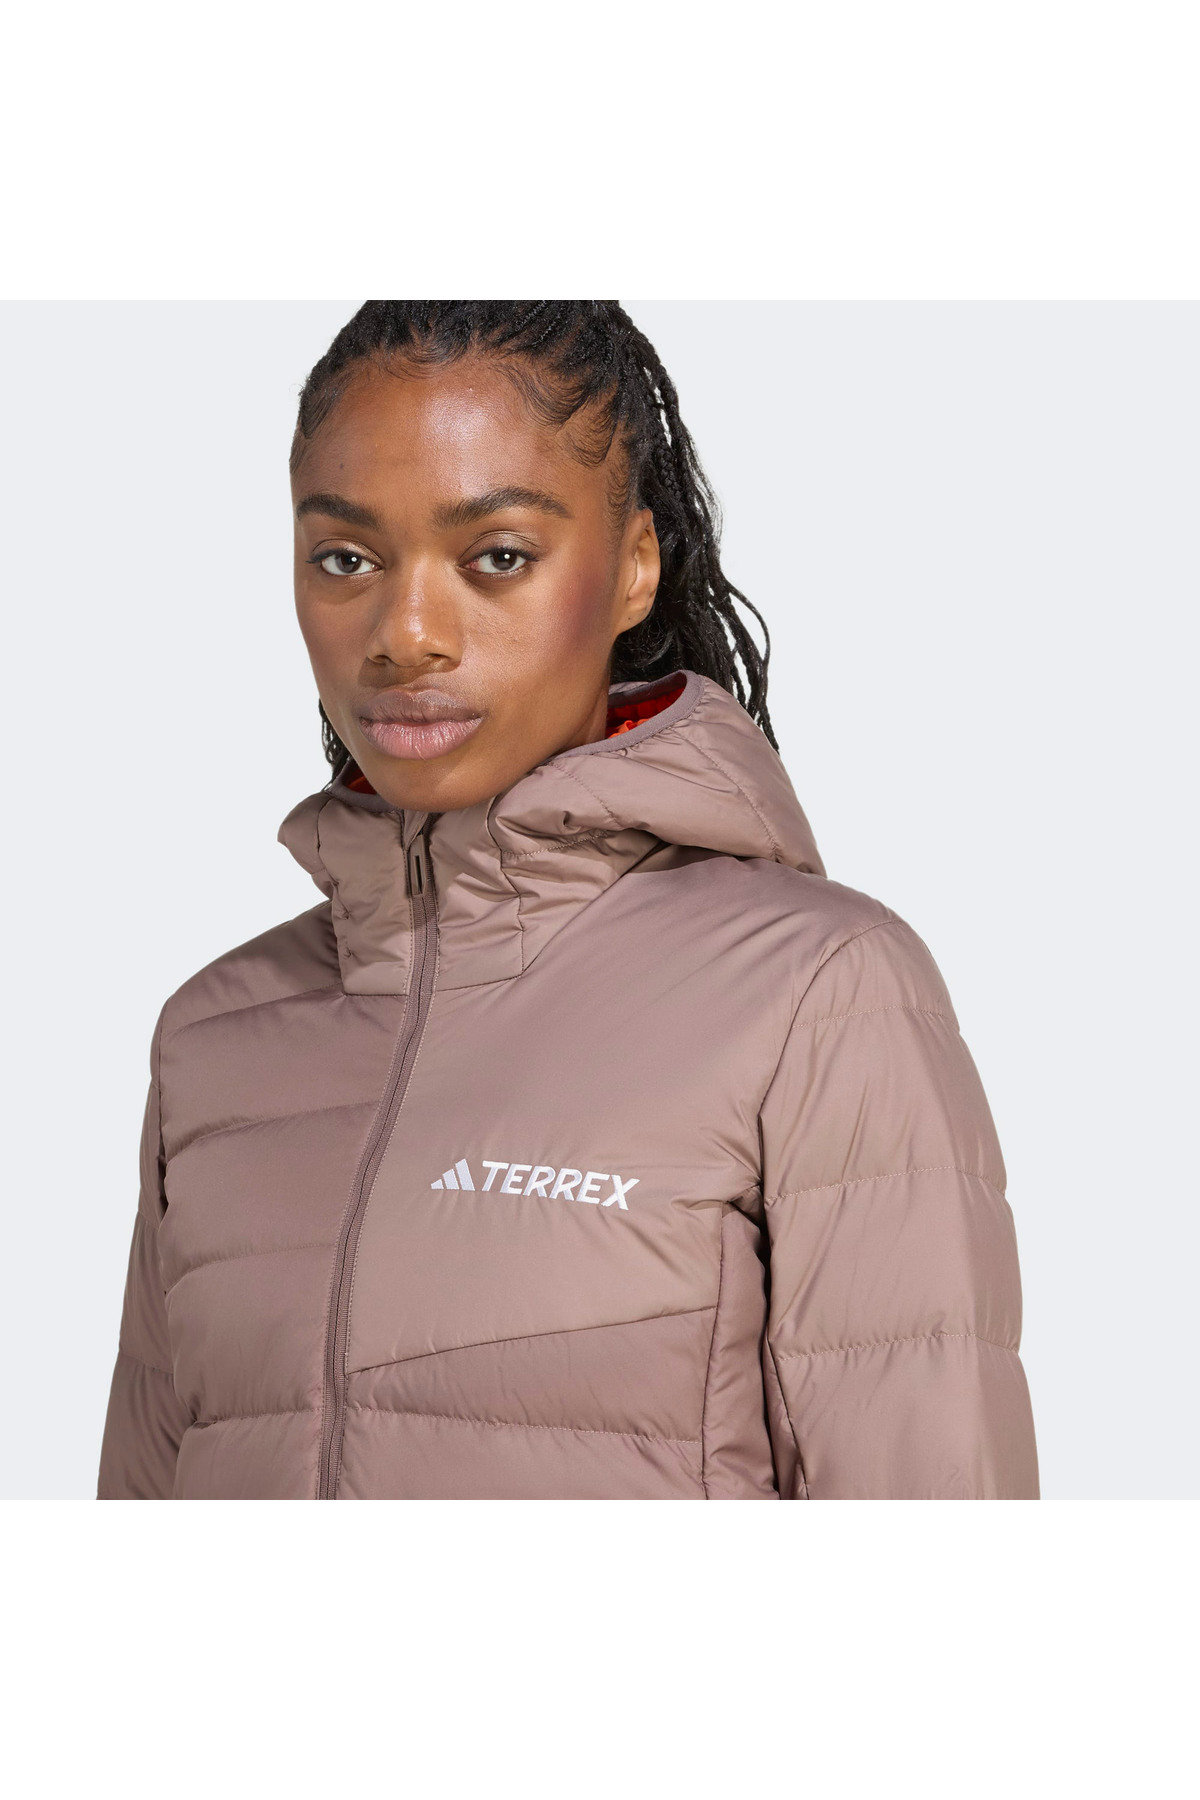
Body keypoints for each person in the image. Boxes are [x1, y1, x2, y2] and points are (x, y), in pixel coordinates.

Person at [97, 300, 1039, 1500]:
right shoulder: (215, 1036)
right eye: (346, 559)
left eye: (497, 556)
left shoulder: (816, 994)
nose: (405, 634)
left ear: (635, 566)